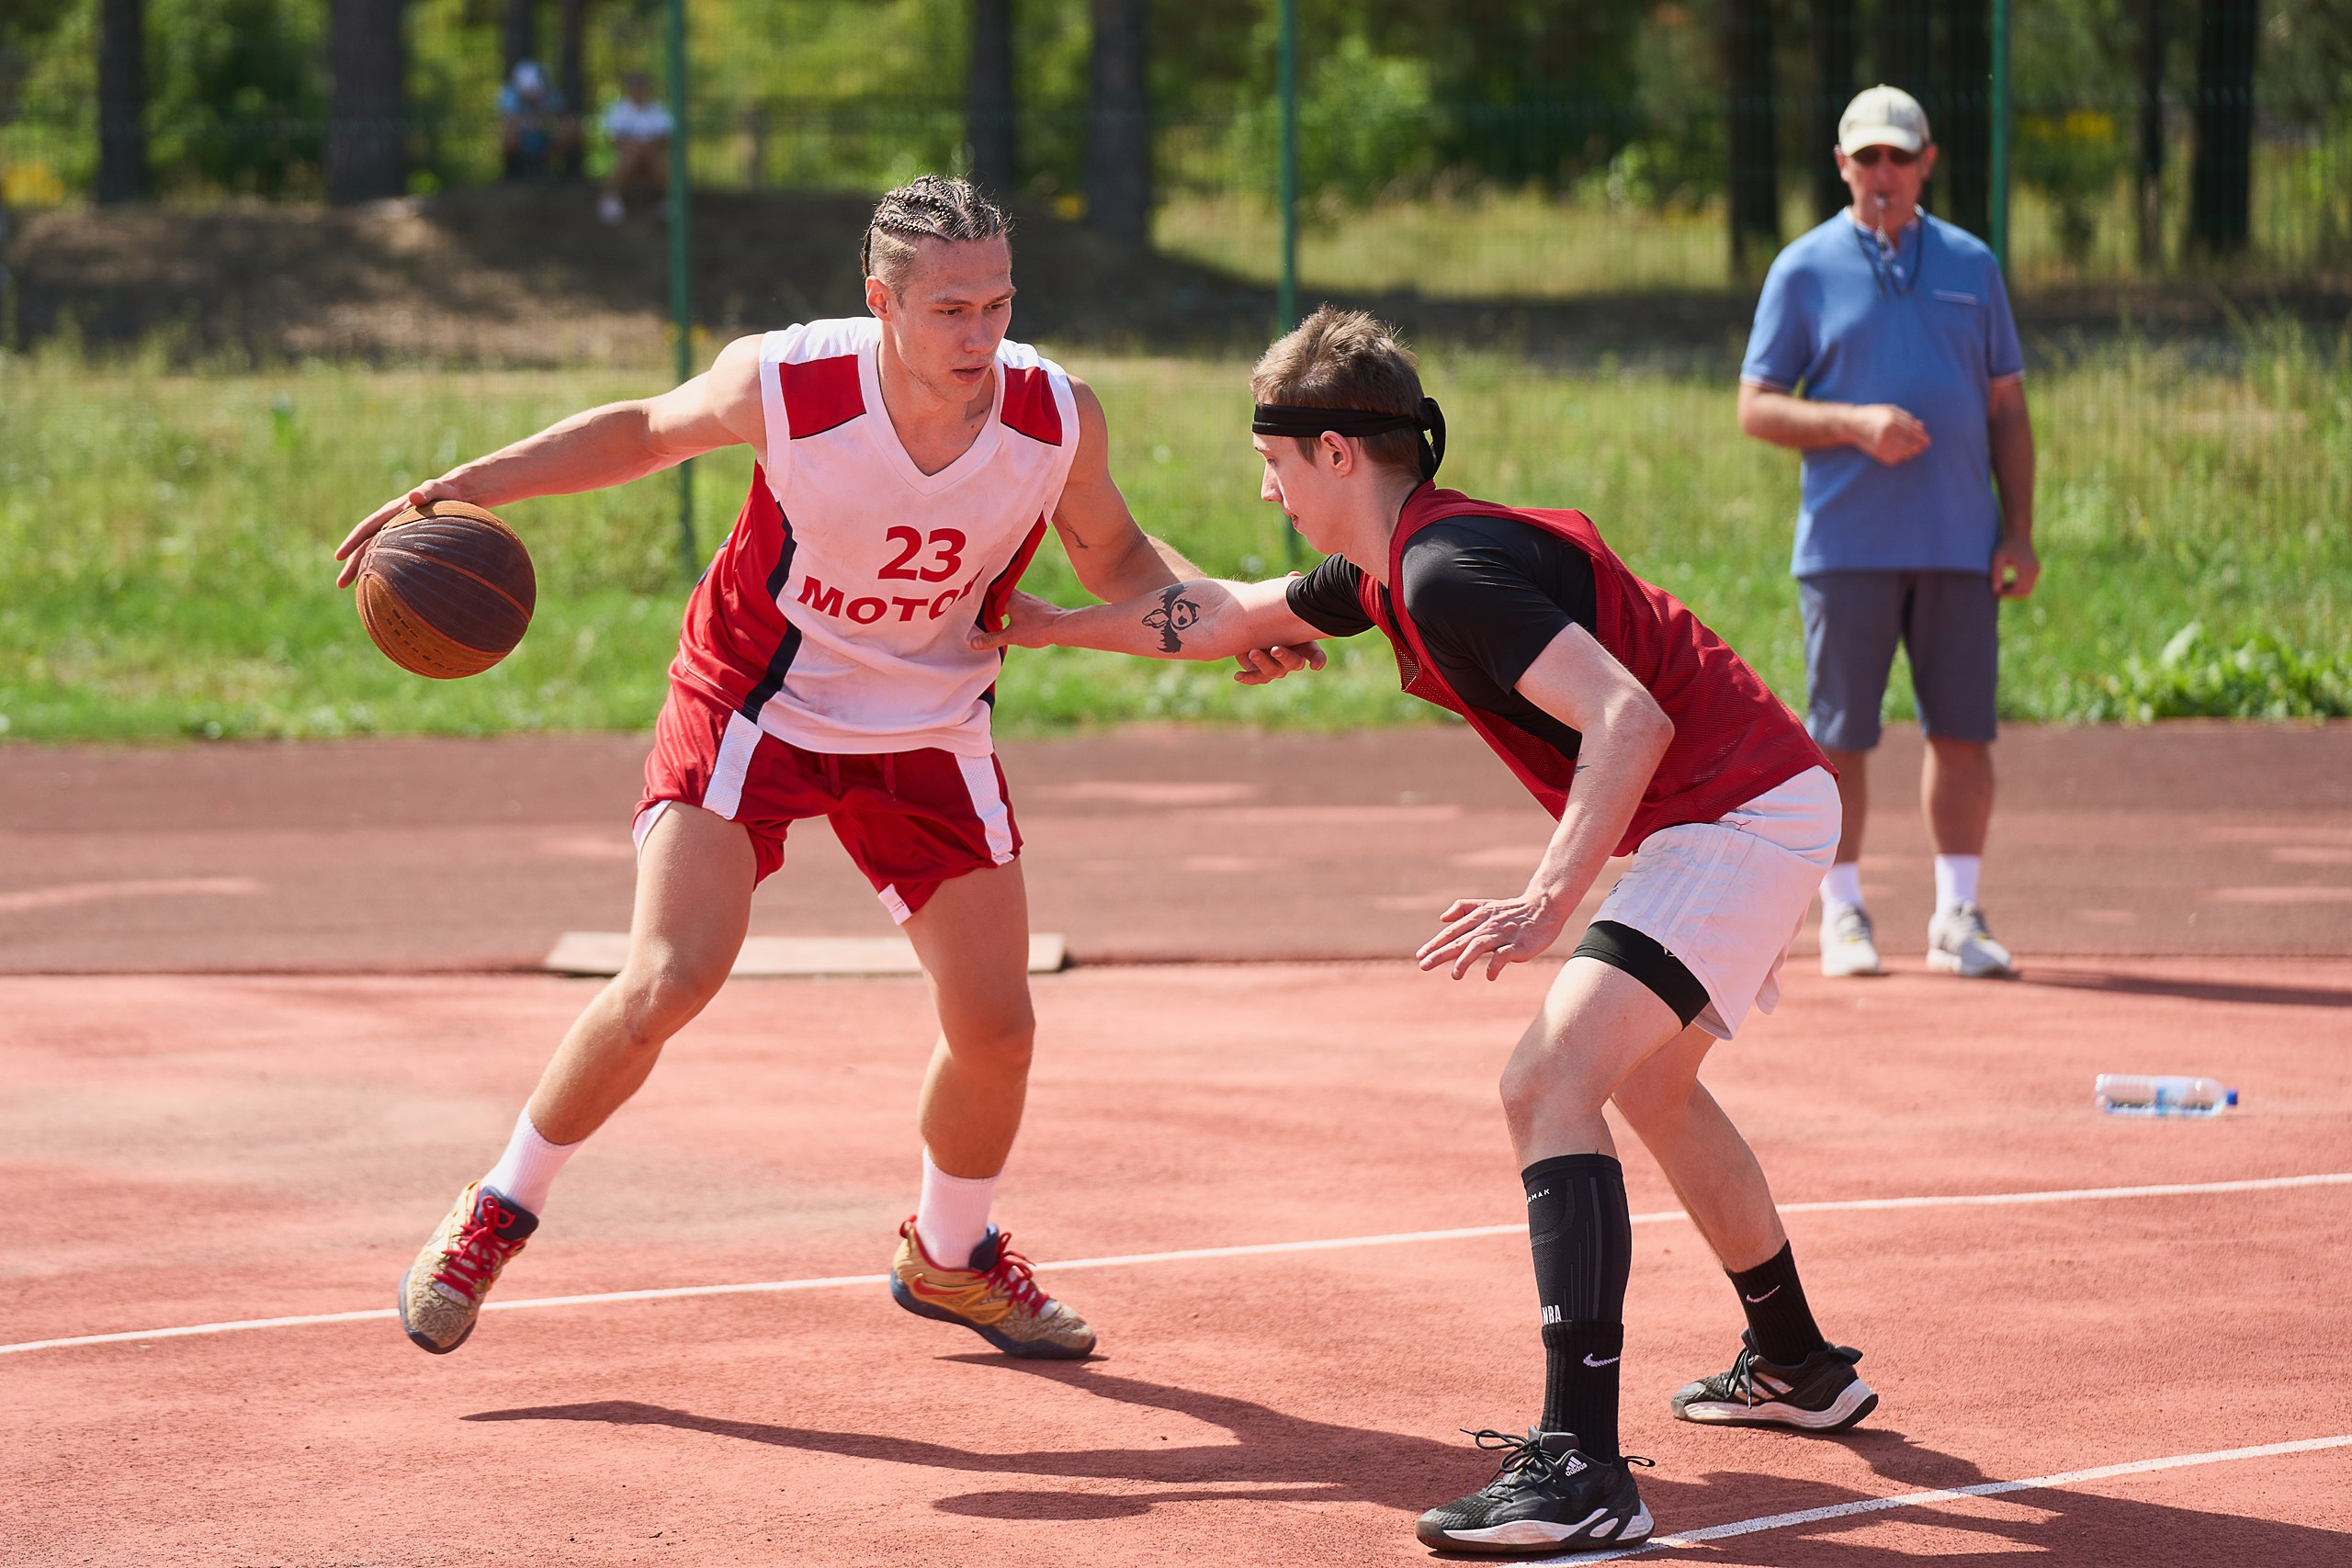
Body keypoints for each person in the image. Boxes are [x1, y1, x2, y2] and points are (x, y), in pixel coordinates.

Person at [334, 176, 1310, 1364]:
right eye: (951, 308)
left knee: (997, 1025)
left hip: (928, 721)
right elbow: (646, 430)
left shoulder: (1052, 415)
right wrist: (463, 490)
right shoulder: (791, 383)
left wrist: (1244, 612)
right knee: (669, 977)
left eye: (998, 303)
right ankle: (493, 1212)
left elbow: (1115, 557)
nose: (981, 335)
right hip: (757, 701)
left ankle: (951, 1255)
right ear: (881, 302)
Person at [976, 307, 1878, 1555]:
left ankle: (1583, 1466)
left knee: (1548, 1078)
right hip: (1746, 804)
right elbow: (1232, 609)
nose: (1266, 483)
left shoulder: (1448, 573)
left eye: (1276, 459)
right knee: (1648, 1086)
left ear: (1337, 452)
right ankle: (1795, 1360)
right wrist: (1051, 625)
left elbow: (1627, 718)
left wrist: (1548, 899)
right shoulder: (1389, 569)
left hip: (1734, 810)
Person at [1737, 84, 2040, 981]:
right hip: (1846, 548)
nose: (1882, 173)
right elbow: (1755, 408)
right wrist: (1853, 424)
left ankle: (1956, 913)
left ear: (1926, 163)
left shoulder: (1972, 266)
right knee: (1838, 739)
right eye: (1865, 157)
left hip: (1958, 542)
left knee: (1963, 735)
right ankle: (1844, 913)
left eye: (1897, 156)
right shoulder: (1801, 268)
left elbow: (2007, 410)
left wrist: (2016, 530)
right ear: (1841, 165)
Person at [598, 71, 673, 225]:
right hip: (627, 161)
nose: (638, 90)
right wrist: (640, 146)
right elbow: (615, 140)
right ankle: (613, 197)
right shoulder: (618, 110)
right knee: (633, 154)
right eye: (634, 86)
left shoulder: (659, 109)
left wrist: (641, 146)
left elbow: (665, 139)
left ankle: (669, 200)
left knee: (650, 156)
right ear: (628, 88)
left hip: (652, 161)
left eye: (641, 86)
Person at [498, 61, 578, 182]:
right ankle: (514, 172)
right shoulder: (509, 97)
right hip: (522, 139)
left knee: (571, 127)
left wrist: (538, 123)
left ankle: (553, 169)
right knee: (507, 132)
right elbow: (509, 122)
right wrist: (531, 123)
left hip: (546, 137)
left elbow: (560, 120)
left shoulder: (552, 97)